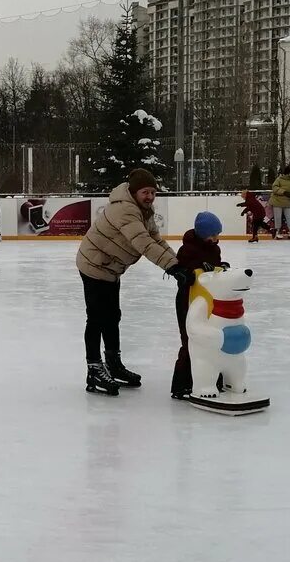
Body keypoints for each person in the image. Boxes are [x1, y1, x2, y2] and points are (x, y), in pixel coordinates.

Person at [76, 168, 186, 396]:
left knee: (112, 316)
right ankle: (94, 369)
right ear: (135, 192)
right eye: (145, 192)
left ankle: (113, 364)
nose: (150, 197)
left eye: (153, 192)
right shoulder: (125, 210)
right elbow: (143, 243)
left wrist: (178, 263)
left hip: (110, 267)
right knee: (97, 318)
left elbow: (155, 239)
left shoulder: (143, 211)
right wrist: (172, 268)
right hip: (94, 264)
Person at [170, 211, 229, 399]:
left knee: (212, 340)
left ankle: (212, 379)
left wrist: (222, 268)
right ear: (203, 233)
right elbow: (184, 276)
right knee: (191, 340)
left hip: (209, 301)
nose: (216, 238)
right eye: (213, 234)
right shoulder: (187, 250)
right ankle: (182, 384)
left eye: (218, 234)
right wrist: (197, 269)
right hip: (187, 302)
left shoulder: (214, 249)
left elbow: (216, 270)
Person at [270, 166, 290, 239]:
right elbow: (274, 188)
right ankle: (277, 231)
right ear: (285, 173)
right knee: (278, 217)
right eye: (288, 173)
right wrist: (284, 192)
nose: (289, 175)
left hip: (287, 202)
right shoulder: (279, 179)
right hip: (277, 201)